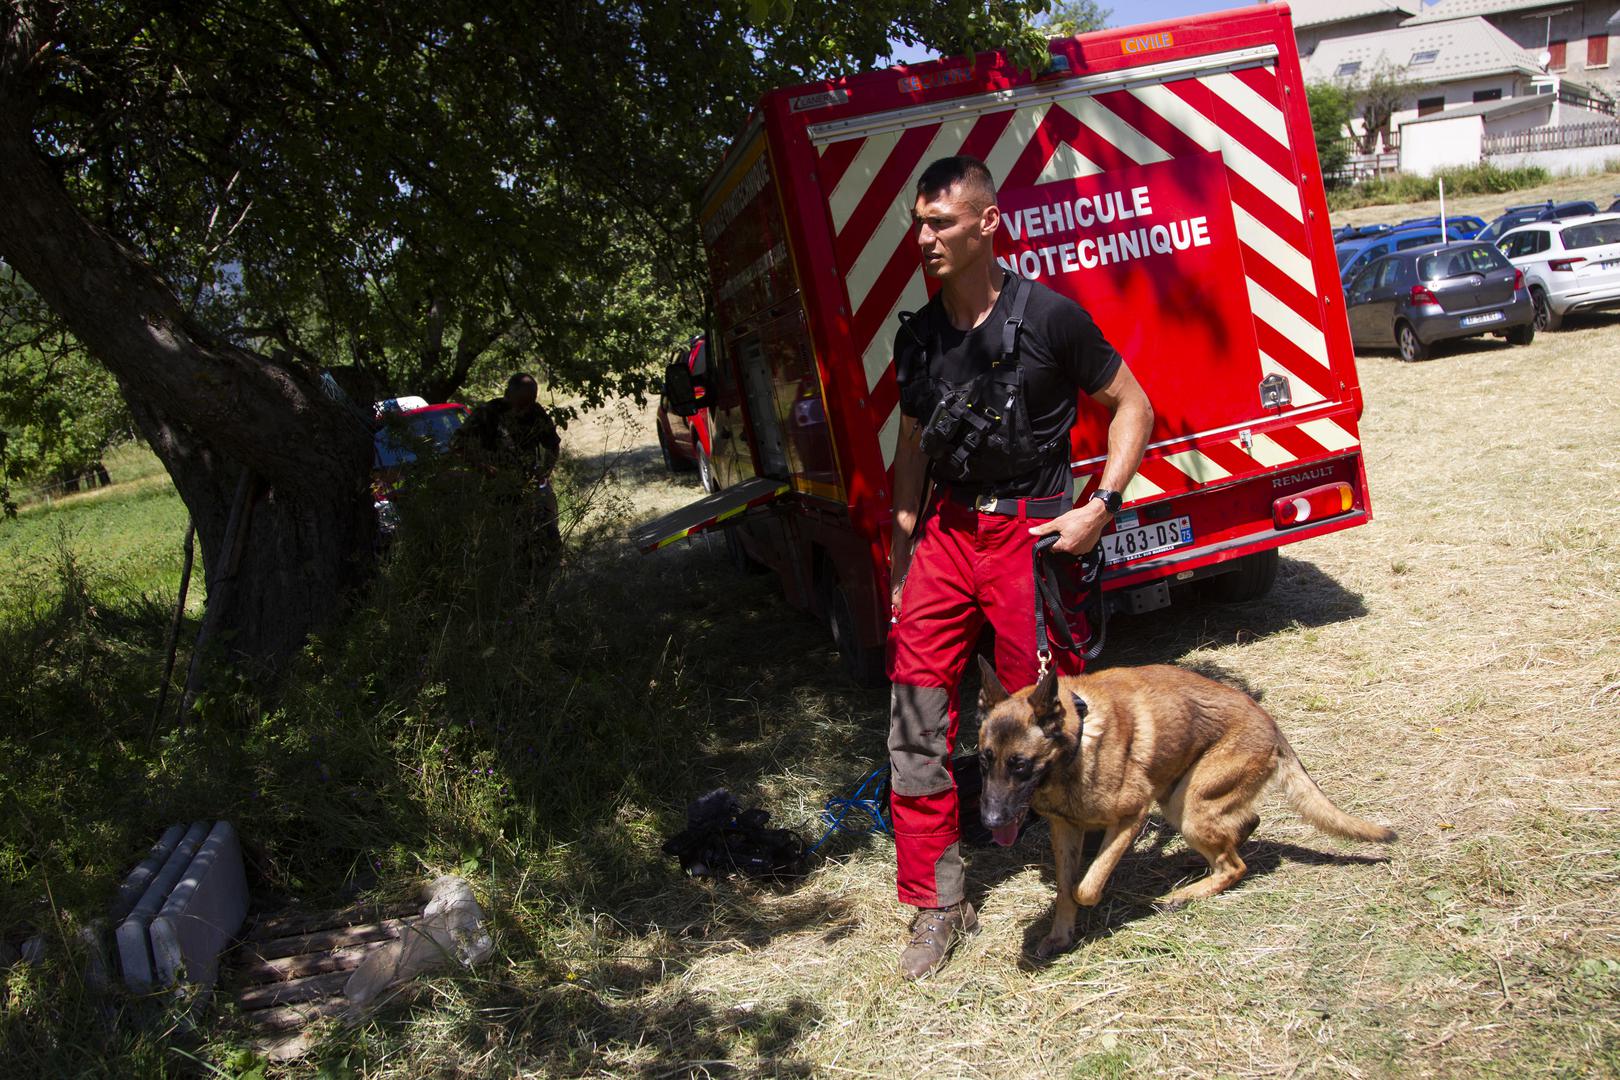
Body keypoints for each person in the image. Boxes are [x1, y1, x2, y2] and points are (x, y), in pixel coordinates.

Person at [886, 156, 1154, 980]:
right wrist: (901, 560)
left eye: (941, 223)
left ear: (987, 223)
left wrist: (1100, 505)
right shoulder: (922, 340)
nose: (923, 238)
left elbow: (1135, 407)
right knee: (915, 723)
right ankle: (938, 903)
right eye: (919, 223)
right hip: (946, 539)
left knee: (1051, 724)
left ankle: (1075, 877)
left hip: (1030, 540)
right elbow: (908, 455)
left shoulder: (1051, 319)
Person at [454, 372, 563, 555]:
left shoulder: (535, 413)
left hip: (529, 486)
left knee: (548, 533)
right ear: (507, 394)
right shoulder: (487, 413)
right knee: (504, 542)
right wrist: (484, 468)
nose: (523, 409)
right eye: (519, 403)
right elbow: (458, 445)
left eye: (528, 403)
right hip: (494, 488)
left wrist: (545, 472)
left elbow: (552, 444)